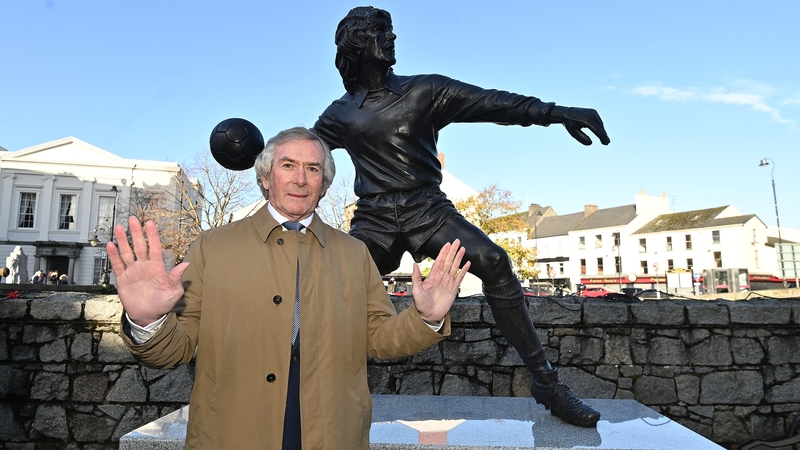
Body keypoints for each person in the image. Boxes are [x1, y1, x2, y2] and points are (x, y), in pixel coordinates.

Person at [312, 6, 610, 427]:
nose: (392, 38)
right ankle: (304, 386)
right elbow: (300, 153)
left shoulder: (424, 90)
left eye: (391, 30)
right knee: (325, 280)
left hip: (427, 209)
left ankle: (547, 383)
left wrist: (556, 112)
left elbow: (492, 103)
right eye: (382, 32)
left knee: (494, 260)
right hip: (374, 219)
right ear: (359, 43)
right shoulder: (339, 114)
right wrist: (260, 156)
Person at [110, 127, 470, 449]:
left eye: (313, 169)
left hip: (333, 432)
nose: (301, 178)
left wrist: (425, 318)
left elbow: (379, 337)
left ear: (324, 185)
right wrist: (147, 320)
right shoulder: (211, 247)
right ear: (266, 178)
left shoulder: (354, 253)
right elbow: (174, 350)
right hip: (231, 433)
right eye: (288, 166)